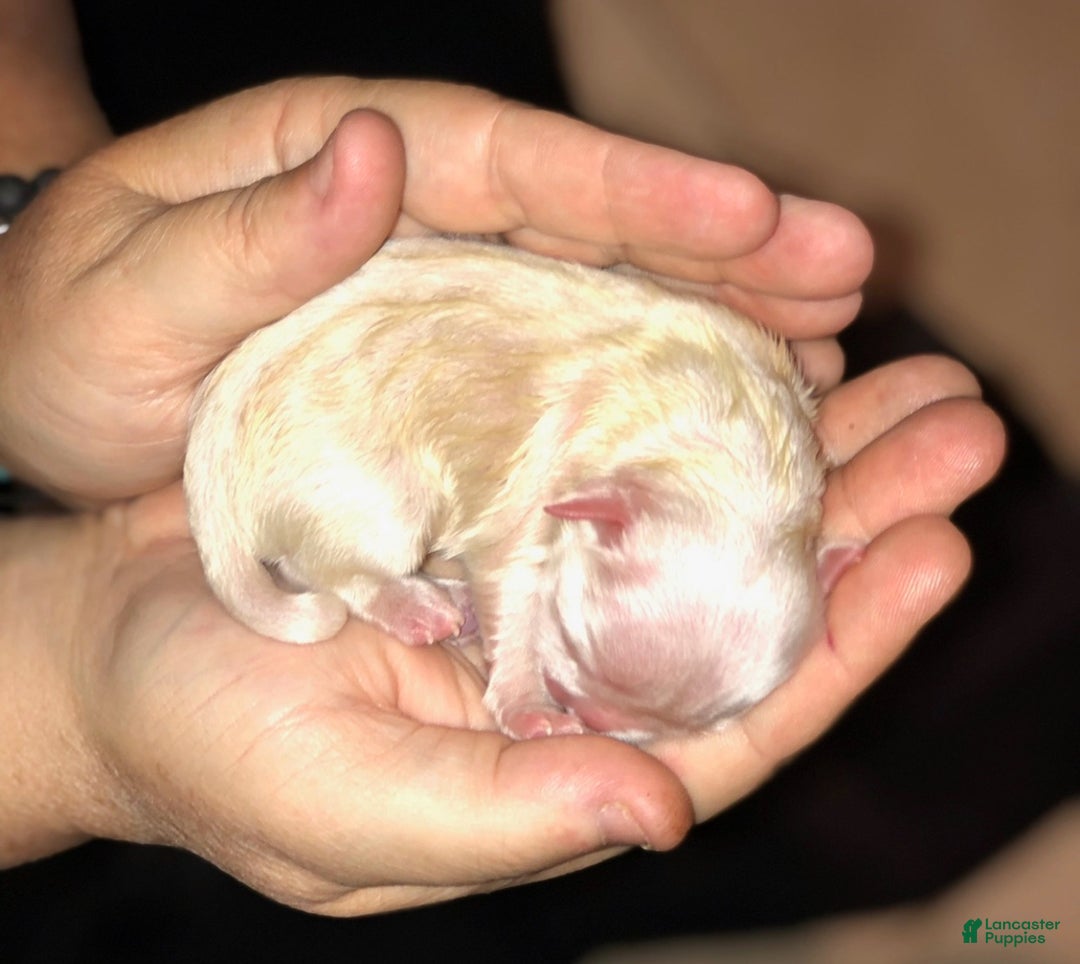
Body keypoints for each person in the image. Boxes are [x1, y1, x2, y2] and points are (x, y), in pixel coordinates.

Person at [0, 0, 1004, 915]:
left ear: (818, 559)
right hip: (319, 434)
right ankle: (345, 566)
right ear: (604, 513)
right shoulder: (585, 461)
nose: (595, 716)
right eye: (591, 667)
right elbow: (510, 542)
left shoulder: (726, 442)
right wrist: (519, 683)